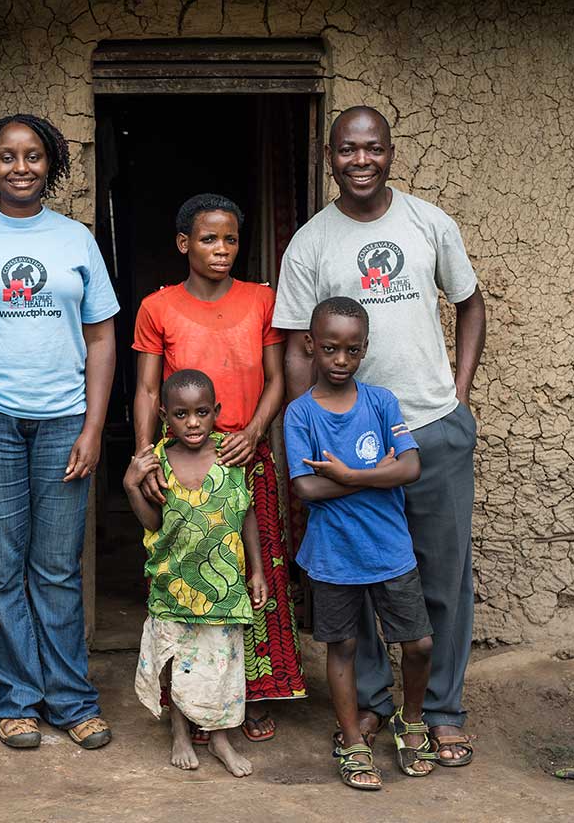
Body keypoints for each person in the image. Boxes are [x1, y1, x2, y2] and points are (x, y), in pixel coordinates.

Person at [274, 105, 486, 766]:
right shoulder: (311, 242)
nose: (359, 160)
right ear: (329, 157)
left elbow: (471, 302)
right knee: (354, 576)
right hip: (344, 447)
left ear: (391, 152)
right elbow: (294, 346)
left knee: (442, 579)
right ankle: (370, 700)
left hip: (429, 430)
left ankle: (443, 711)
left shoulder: (429, 223)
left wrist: (459, 393)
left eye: (372, 148)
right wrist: (305, 433)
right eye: (346, 150)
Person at [0, 114, 119, 750]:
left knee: (58, 566)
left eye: (33, 156)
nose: (20, 167)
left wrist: (94, 425)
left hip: (65, 414)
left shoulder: (76, 240)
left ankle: (71, 697)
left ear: (52, 163)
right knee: (1, 565)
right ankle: (16, 697)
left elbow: (100, 336)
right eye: (7, 157)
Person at [132, 194, 306, 746]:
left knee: (255, 579)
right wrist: (145, 455)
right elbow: (146, 388)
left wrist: (254, 432)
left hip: (244, 456)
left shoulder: (261, 300)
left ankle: (249, 697)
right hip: (183, 461)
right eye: (209, 239)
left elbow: (277, 379)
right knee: (188, 578)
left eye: (230, 239)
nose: (222, 250)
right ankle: (191, 699)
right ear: (185, 243)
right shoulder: (157, 307)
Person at [285, 297, 436, 789]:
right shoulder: (300, 415)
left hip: (390, 548)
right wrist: (378, 475)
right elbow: (306, 488)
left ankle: (411, 723)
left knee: (418, 642)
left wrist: (348, 474)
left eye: (352, 350)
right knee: (343, 645)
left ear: (365, 349)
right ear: (311, 345)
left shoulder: (381, 402)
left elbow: (411, 467)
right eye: (329, 349)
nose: (340, 360)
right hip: (333, 555)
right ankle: (352, 741)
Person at [125, 369, 266, 777]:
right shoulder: (158, 463)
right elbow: (152, 524)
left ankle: (220, 737)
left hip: (224, 587)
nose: (193, 422)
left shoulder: (230, 454)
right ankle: (180, 732)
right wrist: (133, 487)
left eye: (202, 412)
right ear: (164, 414)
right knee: (177, 660)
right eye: (182, 414)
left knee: (222, 662)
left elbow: (247, 513)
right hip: (174, 583)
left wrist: (256, 569)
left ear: (216, 412)